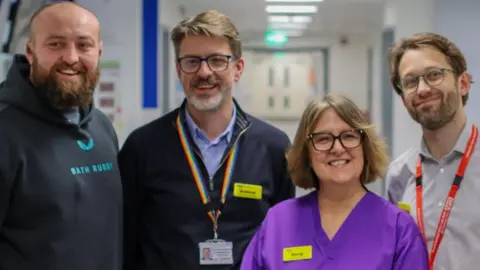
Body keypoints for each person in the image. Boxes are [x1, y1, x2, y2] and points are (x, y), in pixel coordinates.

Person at [119, 9, 295, 270]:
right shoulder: (142, 147)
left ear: (238, 68)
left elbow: (283, 240)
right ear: (179, 71)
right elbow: (126, 242)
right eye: (191, 61)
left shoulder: (274, 147)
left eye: (217, 60)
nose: (204, 72)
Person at [241, 93, 429, 270]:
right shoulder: (278, 222)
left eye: (349, 136)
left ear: (365, 147)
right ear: (307, 152)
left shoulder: (398, 229)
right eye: (323, 139)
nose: (337, 148)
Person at [0, 2, 122, 270]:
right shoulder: (5, 130)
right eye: (55, 44)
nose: (71, 57)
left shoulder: (101, 127)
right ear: (31, 53)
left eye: (84, 45)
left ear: (99, 52)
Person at [386, 32, 480, 270]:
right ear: (404, 99)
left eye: (434, 75)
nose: (423, 89)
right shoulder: (399, 173)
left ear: (463, 83)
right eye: (410, 81)